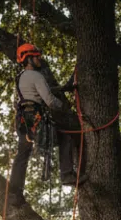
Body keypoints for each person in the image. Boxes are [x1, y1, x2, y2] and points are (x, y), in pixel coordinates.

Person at [11, 43, 76, 204]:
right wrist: (66, 107)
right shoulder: (38, 76)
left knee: (22, 155)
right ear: (29, 58)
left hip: (23, 123)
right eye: (36, 56)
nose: (40, 58)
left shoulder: (19, 77)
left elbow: (19, 100)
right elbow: (50, 101)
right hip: (36, 120)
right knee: (65, 137)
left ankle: (14, 193)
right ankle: (67, 174)